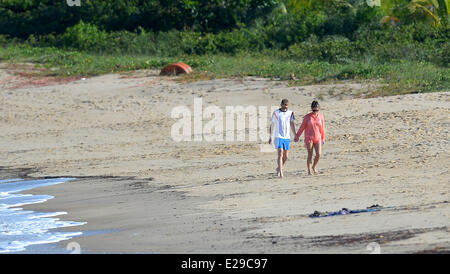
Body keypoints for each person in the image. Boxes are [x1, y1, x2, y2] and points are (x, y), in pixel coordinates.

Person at [294, 101, 325, 175]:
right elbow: (302, 127)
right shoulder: (307, 117)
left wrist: (323, 138)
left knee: (318, 154)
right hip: (309, 138)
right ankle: (309, 171)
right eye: (314, 110)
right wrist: (297, 136)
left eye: (317, 109)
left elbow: (322, 128)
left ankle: (314, 166)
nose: (315, 111)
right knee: (310, 154)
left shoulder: (321, 117)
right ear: (312, 109)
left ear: (319, 109)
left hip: (318, 138)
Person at [269, 99, 296, 178]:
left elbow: (292, 123)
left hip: (287, 136)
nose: (285, 108)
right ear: (281, 105)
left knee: (286, 156)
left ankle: (279, 168)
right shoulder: (276, 113)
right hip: (278, 136)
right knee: (280, 153)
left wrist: (295, 134)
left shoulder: (290, 113)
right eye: (284, 106)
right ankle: (280, 172)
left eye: (286, 106)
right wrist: (271, 136)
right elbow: (272, 125)